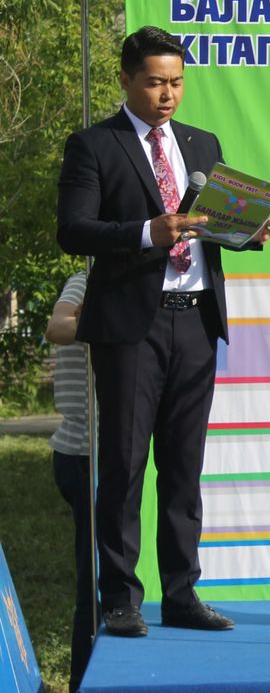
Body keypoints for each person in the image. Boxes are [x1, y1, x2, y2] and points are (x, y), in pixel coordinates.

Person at [56, 26, 270, 638]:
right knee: (125, 466)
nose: (168, 95)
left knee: (183, 468)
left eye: (177, 82)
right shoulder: (94, 146)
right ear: (126, 80)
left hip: (197, 320)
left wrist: (247, 232)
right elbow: (73, 230)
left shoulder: (202, 143)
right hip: (133, 326)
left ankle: (182, 594)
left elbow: (209, 225)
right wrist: (145, 232)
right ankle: (120, 599)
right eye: (155, 82)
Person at [46, 271, 91, 690]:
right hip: (82, 455)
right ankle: (81, 681)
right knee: (94, 586)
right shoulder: (85, 280)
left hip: (106, 457)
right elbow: (57, 328)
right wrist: (113, 319)